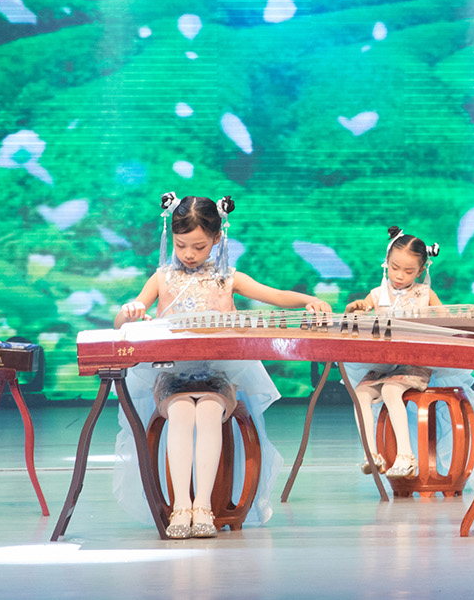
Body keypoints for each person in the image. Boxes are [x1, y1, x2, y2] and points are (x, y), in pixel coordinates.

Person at [112, 192, 331, 538]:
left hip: (218, 375)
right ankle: (180, 506)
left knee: (209, 410)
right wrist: (130, 311)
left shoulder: (227, 278)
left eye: (199, 247)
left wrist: (310, 300)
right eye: (181, 245)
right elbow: (120, 322)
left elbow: (274, 295)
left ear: (217, 239)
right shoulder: (162, 278)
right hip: (173, 375)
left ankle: (203, 506)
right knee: (181, 411)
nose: (188, 254)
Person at [342, 227, 474, 478]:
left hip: (414, 363)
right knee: (361, 394)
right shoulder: (377, 294)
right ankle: (371, 454)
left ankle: (406, 456)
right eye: (394, 268)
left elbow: (447, 320)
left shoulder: (424, 294)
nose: (399, 276)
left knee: (390, 390)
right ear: (386, 263)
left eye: (408, 271)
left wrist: (471, 313)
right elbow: (360, 313)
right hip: (384, 364)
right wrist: (355, 309)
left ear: (421, 271)